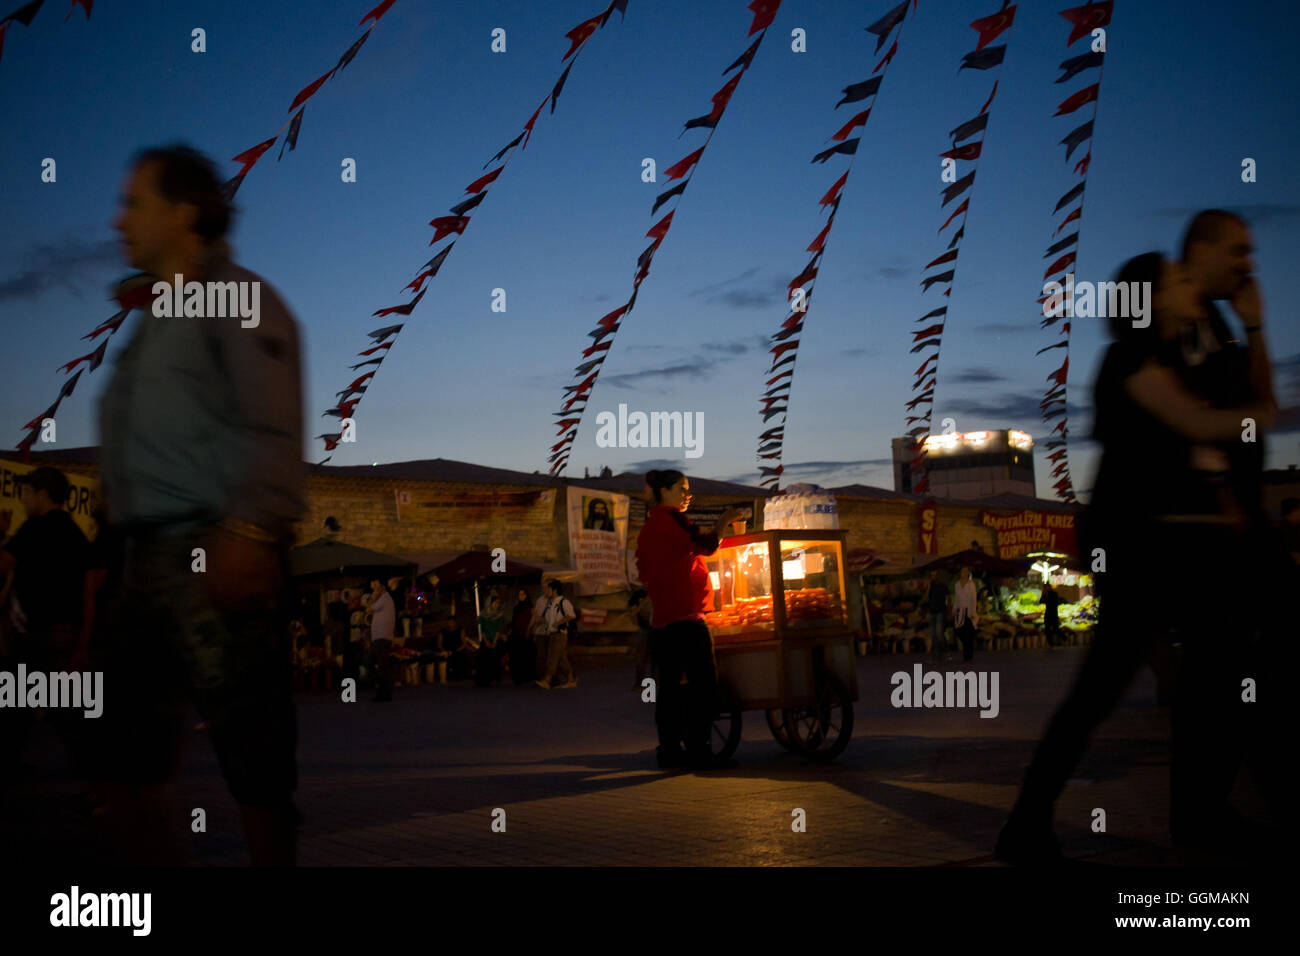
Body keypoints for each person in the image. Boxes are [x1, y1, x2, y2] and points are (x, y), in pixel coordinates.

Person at [994, 250, 1277, 866]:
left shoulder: (1180, 351)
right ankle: (1028, 824)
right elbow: (1196, 421)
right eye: (1175, 277)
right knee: (1101, 692)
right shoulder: (1131, 360)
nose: (1186, 279)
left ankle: (1200, 814)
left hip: (1178, 550)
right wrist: (1259, 413)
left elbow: (1214, 406)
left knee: (1216, 681)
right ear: (1149, 297)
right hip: (1136, 552)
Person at [96, 143, 305, 865]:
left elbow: (273, 419)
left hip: (214, 551)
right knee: (127, 756)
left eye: (134, 203)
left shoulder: (237, 297)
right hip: (142, 563)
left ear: (184, 211)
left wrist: (249, 529)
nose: (119, 221)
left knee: (254, 762)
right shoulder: (154, 319)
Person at [635, 469, 743, 770]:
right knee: (703, 687)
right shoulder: (671, 519)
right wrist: (724, 521)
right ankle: (699, 752)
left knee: (670, 691)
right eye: (682, 488)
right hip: (686, 621)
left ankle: (669, 752)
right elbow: (706, 545)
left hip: (663, 623)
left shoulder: (650, 526)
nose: (687, 494)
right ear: (666, 491)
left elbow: (646, 570)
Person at [0, 467, 95, 783]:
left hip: (39, 634)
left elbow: (5, 562)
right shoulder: (73, 532)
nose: (23, 499)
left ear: (42, 493)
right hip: (63, 634)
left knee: (44, 709)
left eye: (26, 492)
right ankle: (93, 778)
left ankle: (98, 780)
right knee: (48, 709)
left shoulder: (36, 528)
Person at [534, 580, 577, 690]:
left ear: (555, 590)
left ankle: (547, 681)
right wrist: (538, 620)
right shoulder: (549, 603)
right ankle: (571, 680)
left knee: (552, 658)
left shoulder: (563, 601)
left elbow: (571, 615)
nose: (547, 591)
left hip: (560, 634)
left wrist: (559, 622)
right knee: (561, 660)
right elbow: (547, 618)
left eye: (549, 589)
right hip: (551, 634)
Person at [365, 578, 397, 701]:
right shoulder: (385, 600)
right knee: (378, 665)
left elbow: (369, 608)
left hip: (382, 638)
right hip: (380, 637)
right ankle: (384, 690)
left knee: (376, 664)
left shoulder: (385, 599)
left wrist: (374, 595)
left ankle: (384, 691)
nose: (374, 590)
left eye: (376, 587)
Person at [506, 587, 536, 684]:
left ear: (526, 595)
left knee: (526, 655)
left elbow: (533, 619)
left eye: (523, 594)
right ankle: (518, 677)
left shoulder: (530, 606)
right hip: (516, 634)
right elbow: (514, 620)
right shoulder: (517, 607)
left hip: (526, 633)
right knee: (517, 656)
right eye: (519, 594)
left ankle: (527, 676)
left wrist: (529, 630)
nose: (521, 596)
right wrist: (510, 630)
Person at [475, 593, 506, 686]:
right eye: (495, 602)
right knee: (483, 659)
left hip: (495, 640)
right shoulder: (483, 615)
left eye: (498, 603)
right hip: (485, 640)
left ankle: (494, 679)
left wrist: (495, 641)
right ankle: (484, 679)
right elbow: (482, 629)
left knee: (495, 660)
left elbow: (499, 629)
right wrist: (486, 641)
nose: (497, 604)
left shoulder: (500, 615)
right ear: (490, 603)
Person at [921, 569, 950, 662]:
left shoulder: (943, 586)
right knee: (933, 635)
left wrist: (949, 612)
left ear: (938, 576)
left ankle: (944, 651)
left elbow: (948, 600)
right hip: (932, 612)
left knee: (939, 633)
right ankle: (936, 654)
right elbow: (925, 599)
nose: (933, 577)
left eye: (935, 575)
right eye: (932, 575)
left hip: (941, 611)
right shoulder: (930, 587)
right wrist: (929, 588)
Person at [629, 588, 654, 689]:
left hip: (656, 628)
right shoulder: (638, 594)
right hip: (644, 629)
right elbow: (633, 613)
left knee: (655, 658)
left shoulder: (660, 591)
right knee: (641, 658)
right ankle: (639, 683)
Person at [952, 566, 978, 662]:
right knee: (958, 631)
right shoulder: (957, 584)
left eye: (966, 571)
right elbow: (956, 599)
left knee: (968, 634)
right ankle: (967, 649)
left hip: (968, 611)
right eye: (962, 571)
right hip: (960, 611)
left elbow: (973, 598)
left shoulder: (971, 584)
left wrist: (972, 611)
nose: (964, 573)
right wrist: (954, 610)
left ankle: (967, 655)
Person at [1040, 582, 1062, 647]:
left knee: (1055, 629)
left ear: (1049, 587)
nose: (1045, 589)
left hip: (1053, 614)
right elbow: (1041, 601)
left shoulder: (1054, 593)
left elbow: (1055, 603)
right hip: (1047, 615)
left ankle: (1064, 639)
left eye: (1046, 587)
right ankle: (1051, 643)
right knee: (1047, 629)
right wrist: (1044, 594)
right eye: (1044, 588)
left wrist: (1047, 596)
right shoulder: (1045, 594)